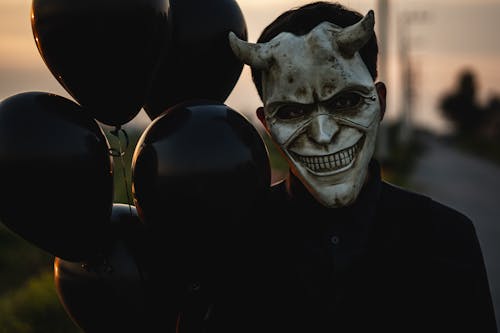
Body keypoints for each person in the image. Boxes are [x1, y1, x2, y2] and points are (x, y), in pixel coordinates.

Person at [222, 2, 498, 332]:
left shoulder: (446, 240)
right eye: (292, 112)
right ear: (267, 123)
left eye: (345, 101)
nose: (323, 134)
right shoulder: (234, 242)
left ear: (379, 102)